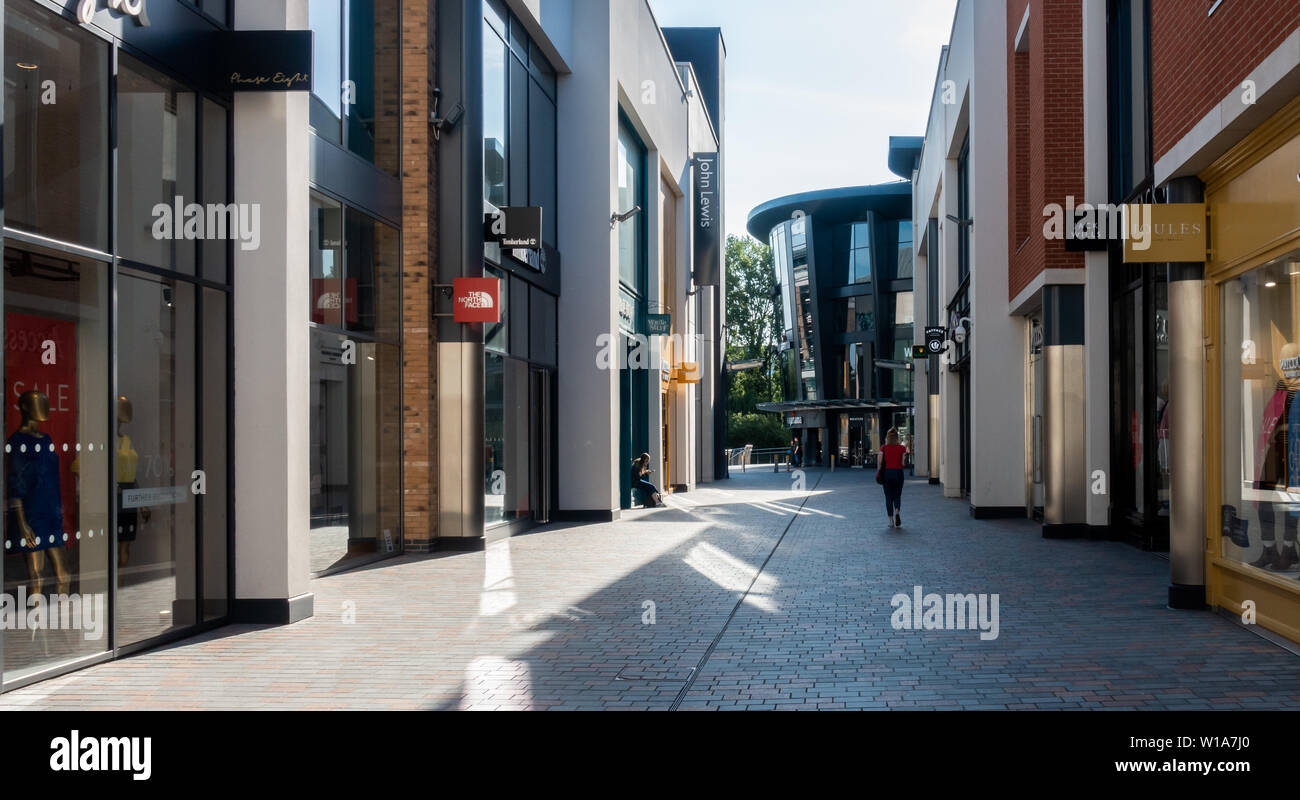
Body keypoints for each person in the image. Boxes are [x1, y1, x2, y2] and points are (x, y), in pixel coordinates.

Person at [878, 428, 908, 528]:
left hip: (887, 473)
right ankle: (897, 511)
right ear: (897, 437)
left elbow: (880, 462)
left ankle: (891, 521)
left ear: (887, 437)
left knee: (888, 497)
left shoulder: (883, 448)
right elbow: (903, 464)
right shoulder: (902, 448)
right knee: (897, 495)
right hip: (898, 473)